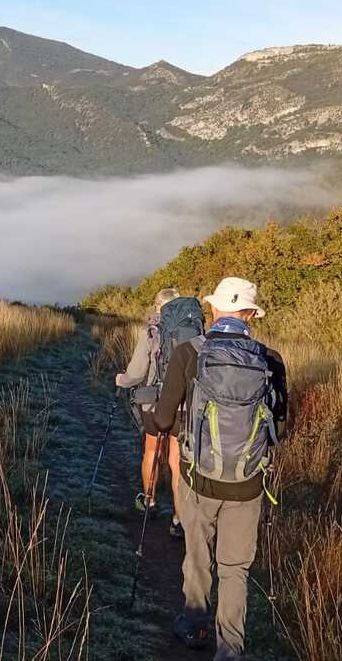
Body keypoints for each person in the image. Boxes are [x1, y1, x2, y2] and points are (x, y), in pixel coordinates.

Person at [154, 277, 289, 661]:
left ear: (213, 309)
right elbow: (279, 429)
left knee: (198, 554)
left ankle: (195, 622)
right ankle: (230, 649)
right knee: (235, 569)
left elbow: (163, 419)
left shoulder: (188, 353)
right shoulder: (270, 360)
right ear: (251, 314)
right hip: (248, 484)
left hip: (198, 478)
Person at [115, 287, 185, 537]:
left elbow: (136, 373)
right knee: (177, 461)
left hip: (155, 404)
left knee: (152, 451)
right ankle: (179, 519)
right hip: (183, 406)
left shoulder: (151, 332)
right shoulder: (195, 333)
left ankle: (150, 501)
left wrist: (121, 380)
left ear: (158, 306)